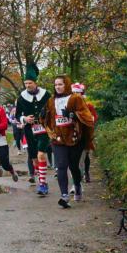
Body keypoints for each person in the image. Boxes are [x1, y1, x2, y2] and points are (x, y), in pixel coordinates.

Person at [42, 75, 95, 208]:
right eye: (56, 85)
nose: (58, 87)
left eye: (60, 84)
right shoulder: (50, 100)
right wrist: (43, 116)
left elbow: (87, 116)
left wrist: (73, 115)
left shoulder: (75, 98)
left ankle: (77, 185)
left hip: (75, 138)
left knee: (73, 167)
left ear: (66, 84)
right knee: (61, 165)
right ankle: (64, 196)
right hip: (58, 139)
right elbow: (48, 119)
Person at [15, 63, 52, 197]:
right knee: (34, 158)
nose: (27, 86)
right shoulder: (21, 97)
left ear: (35, 83)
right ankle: (42, 179)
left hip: (43, 128)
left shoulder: (46, 94)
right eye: (25, 83)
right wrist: (25, 119)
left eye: (30, 83)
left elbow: (52, 110)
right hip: (30, 130)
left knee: (41, 154)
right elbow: (17, 115)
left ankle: (42, 184)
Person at [73, 83, 97, 184]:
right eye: (74, 93)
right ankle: (78, 174)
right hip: (73, 134)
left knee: (85, 155)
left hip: (85, 133)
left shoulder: (88, 105)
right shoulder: (70, 105)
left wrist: (88, 121)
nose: (76, 95)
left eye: (77, 93)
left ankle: (86, 172)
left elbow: (94, 117)